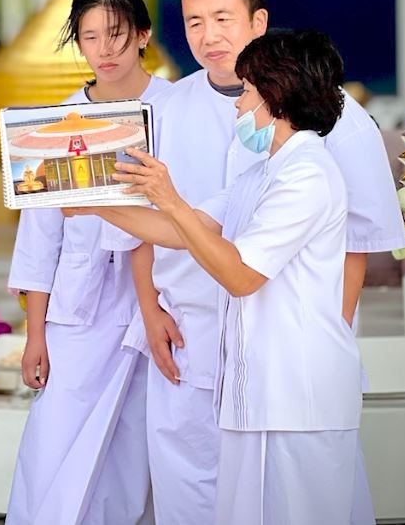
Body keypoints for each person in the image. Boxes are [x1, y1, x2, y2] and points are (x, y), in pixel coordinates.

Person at [107, 0, 404, 524]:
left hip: (292, 362)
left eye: (222, 17)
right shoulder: (234, 155)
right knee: (218, 502)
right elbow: (177, 225)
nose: (208, 34)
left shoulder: (324, 146)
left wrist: (321, 339)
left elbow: (351, 246)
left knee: (303, 504)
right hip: (208, 346)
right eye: (194, 21)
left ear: (259, 21)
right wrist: (87, 201)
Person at [80, 30, 363, 525]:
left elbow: (240, 275)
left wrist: (169, 197)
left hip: (298, 395)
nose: (237, 106)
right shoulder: (259, 174)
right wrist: (86, 199)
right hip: (257, 392)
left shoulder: (308, 175)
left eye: (248, 91)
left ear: (276, 96)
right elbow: (176, 229)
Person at [5, 0, 166, 525]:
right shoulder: (56, 122)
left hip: (160, 302)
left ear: (143, 35)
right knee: (53, 446)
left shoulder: (177, 106)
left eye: (117, 34)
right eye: (90, 36)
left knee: (137, 453)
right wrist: (35, 335)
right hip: (79, 307)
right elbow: (38, 237)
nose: (104, 50)